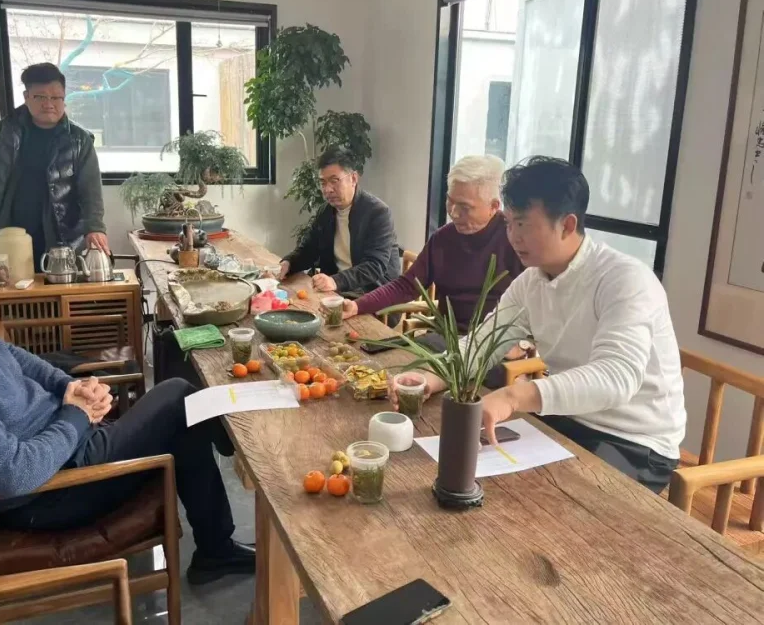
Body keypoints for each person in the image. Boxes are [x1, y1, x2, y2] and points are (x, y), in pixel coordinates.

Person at [0, 238, 253, 586]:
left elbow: (14, 357)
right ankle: (236, 451)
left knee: (184, 417)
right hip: (54, 491)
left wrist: (69, 387)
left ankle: (216, 546)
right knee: (177, 397)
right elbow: (16, 473)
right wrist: (77, 414)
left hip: (66, 446)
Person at [403, 156, 686, 493]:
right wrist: (433, 377)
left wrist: (515, 396)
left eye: (523, 224)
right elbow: (482, 344)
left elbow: (617, 377)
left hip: (635, 441)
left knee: (557, 503)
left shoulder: (624, 279)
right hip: (566, 419)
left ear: (566, 225)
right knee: (477, 483)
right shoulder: (531, 282)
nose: (512, 236)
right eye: (509, 224)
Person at [342, 155, 523, 331]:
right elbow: (407, 286)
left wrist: (521, 342)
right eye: (450, 201)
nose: (453, 213)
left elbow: (533, 306)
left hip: (494, 343)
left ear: (493, 206)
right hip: (445, 336)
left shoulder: (516, 240)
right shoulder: (443, 238)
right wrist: (357, 305)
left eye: (465, 207)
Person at [0, 63, 109, 271]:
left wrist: (95, 227)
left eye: (56, 97)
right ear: (26, 96)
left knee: (59, 283)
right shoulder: (5, 132)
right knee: (14, 282)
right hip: (12, 228)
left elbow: (90, 188)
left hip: (62, 231)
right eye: (40, 97)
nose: (49, 104)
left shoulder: (79, 140)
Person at [280, 146, 400, 295]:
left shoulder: (378, 213)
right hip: (339, 289)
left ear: (353, 179)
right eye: (323, 182)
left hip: (374, 292)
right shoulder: (325, 212)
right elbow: (309, 250)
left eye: (334, 181)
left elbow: (374, 266)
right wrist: (289, 263)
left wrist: (335, 281)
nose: (327, 189)